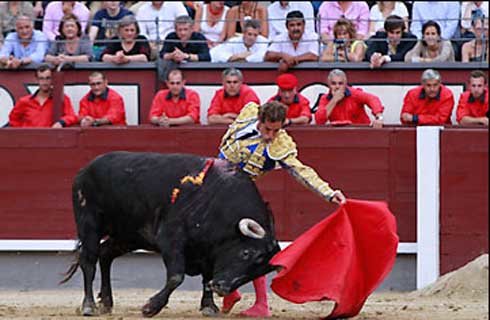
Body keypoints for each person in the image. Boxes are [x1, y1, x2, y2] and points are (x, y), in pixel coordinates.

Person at [219, 100, 346, 318]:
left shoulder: (282, 146)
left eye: (276, 130)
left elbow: (302, 171)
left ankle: (261, 304)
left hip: (243, 195)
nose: (271, 135)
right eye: (268, 129)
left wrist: (328, 192)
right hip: (216, 186)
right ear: (259, 120)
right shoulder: (249, 111)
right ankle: (230, 292)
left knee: (252, 244)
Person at [8, 64, 78, 128]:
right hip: (30, 140)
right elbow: (13, 119)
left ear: (52, 79)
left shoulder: (61, 99)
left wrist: (61, 123)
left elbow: (72, 116)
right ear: (37, 80)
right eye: (41, 78)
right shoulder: (24, 101)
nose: (44, 82)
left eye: (48, 78)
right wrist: (24, 132)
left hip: (51, 139)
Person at [315, 69, 384, 128]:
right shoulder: (325, 99)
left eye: (340, 83)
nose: (337, 86)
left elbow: (372, 99)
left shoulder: (354, 94)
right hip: (338, 135)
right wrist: (334, 100)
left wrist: (379, 117)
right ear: (329, 85)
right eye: (333, 83)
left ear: (345, 84)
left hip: (360, 132)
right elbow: (319, 120)